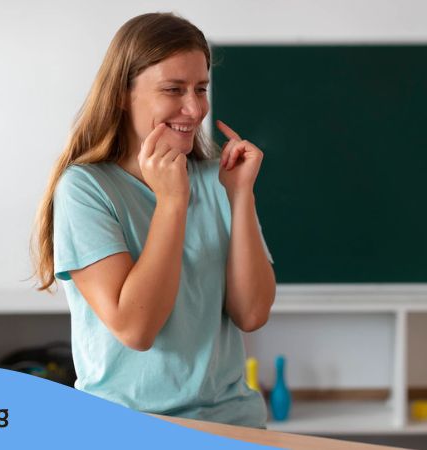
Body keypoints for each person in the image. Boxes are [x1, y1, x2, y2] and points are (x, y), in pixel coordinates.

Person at [31, 12, 275, 428]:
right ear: (123, 93)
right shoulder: (84, 189)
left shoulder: (217, 178)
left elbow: (251, 313)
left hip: (232, 424)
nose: (194, 107)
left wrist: (240, 196)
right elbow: (136, 329)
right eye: (173, 89)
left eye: (201, 88)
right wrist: (171, 202)